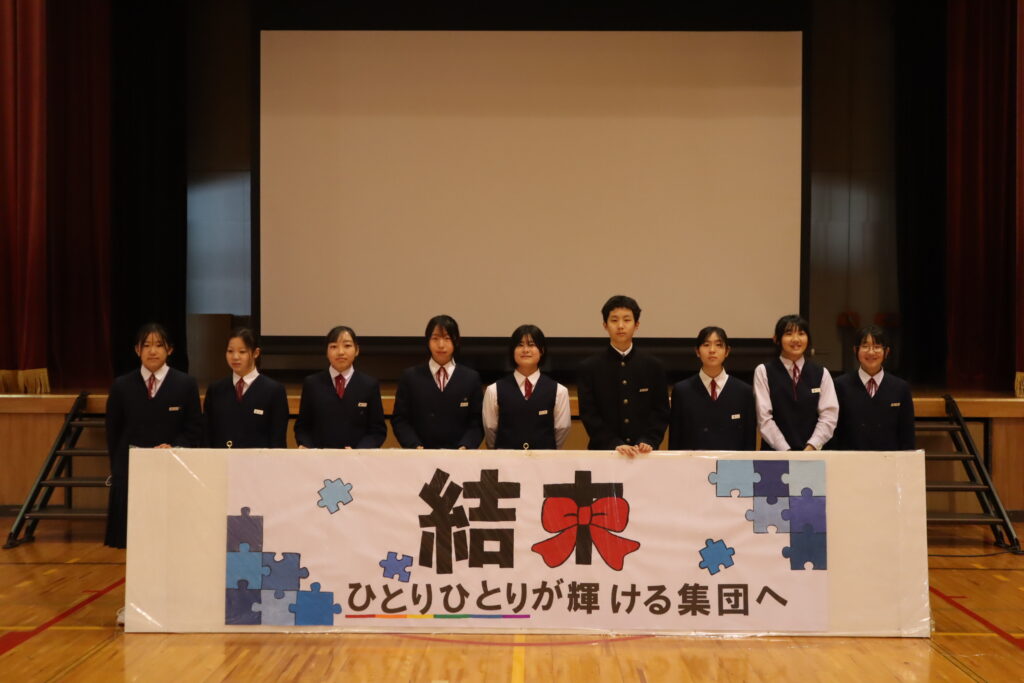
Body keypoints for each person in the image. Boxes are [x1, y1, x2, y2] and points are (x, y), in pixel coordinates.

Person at [105, 323, 202, 549]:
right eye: (146, 345)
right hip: (132, 474)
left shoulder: (186, 384)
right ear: (137, 350)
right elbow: (114, 432)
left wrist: (174, 447)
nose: (152, 351)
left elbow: (194, 428)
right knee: (132, 544)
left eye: (159, 345)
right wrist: (119, 471)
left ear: (170, 350)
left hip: (173, 471)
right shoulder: (121, 386)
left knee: (172, 542)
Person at [577, 295, 669, 457]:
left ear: (636, 325)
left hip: (644, 454)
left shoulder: (653, 366)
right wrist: (613, 443)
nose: (620, 326)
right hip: (604, 453)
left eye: (627, 320)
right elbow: (589, 414)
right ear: (605, 325)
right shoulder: (589, 367)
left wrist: (649, 440)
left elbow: (660, 411)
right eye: (614, 320)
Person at [391, 315, 483, 449]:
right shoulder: (410, 377)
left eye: (447, 338)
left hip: (459, 455)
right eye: (435, 338)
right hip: (420, 454)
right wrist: (414, 445)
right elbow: (400, 420)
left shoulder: (471, 378)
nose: (441, 345)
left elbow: (476, 422)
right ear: (427, 341)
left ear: (456, 341)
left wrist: (465, 446)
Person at [753, 314, 838, 451]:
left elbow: (829, 416)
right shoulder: (763, 372)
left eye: (801, 333)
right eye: (788, 334)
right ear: (776, 339)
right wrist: (787, 452)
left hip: (812, 454)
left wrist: (811, 446)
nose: (796, 339)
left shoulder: (822, 373)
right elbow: (764, 419)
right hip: (775, 455)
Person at [294, 325, 386, 448]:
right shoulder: (312, 384)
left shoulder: (369, 385)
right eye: (334, 346)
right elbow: (303, 427)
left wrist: (358, 452)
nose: (341, 352)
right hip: (319, 456)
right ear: (326, 352)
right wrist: (307, 446)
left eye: (347, 346)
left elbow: (377, 431)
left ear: (357, 350)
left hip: (356, 457)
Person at [482, 324, 571, 450]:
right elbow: (490, 429)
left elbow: (562, 429)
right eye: (520, 345)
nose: (525, 350)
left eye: (531, 344)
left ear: (542, 350)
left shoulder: (559, 391)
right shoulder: (493, 390)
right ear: (512, 351)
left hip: (544, 459)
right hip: (506, 459)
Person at [669, 326, 756, 450]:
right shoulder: (682, 391)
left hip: (732, 461)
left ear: (727, 351)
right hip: (693, 461)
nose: (712, 350)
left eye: (718, 345)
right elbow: (675, 441)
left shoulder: (743, 391)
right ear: (697, 351)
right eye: (706, 345)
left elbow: (749, 442)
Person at [831, 325, 916, 450]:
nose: (871, 352)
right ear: (855, 350)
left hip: (889, 459)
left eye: (877, 347)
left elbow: (907, 436)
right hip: (851, 459)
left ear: (886, 352)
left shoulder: (900, 388)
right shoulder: (840, 385)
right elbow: (834, 433)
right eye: (865, 346)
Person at [203, 328, 289, 449]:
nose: (235, 357)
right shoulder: (216, 389)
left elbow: (277, 440)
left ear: (256, 353)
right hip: (221, 459)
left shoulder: (274, 391)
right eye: (230, 351)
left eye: (242, 352)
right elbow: (206, 436)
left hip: (258, 459)